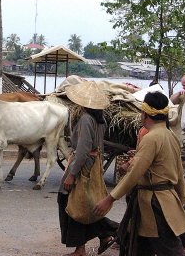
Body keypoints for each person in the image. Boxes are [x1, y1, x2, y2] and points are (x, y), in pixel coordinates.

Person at [94, 91, 185, 256]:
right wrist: (181, 195)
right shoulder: (170, 135)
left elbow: (134, 174)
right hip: (155, 200)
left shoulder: (152, 138)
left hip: (156, 203)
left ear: (144, 113)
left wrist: (110, 199)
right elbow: (179, 170)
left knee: (169, 249)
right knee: (136, 246)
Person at [58, 81, 118, 256]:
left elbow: (83, 151)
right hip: (94, 165)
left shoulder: (85, 119)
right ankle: (105, 235)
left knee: (70, 203)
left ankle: (82, 248)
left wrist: (72, 175)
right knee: (85, 204)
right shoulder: (100, 119)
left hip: (83, 166)